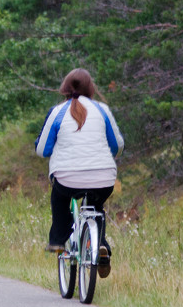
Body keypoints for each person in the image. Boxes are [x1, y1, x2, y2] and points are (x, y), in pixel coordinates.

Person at [34, 68, 124, 277]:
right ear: (91, 89)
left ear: (64, 88)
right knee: (95, 206)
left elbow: (42, 150)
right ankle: (100, 245)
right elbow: (118, 145)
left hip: (67, 178)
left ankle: (57, 240)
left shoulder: (57, 112)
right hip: (103, 177)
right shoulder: (102, 109)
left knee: (59, 199)